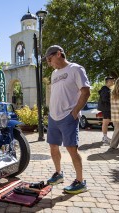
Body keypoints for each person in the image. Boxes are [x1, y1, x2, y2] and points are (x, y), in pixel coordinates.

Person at [42, 45, 90, 194]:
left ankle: (80, 182)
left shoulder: (76, 69)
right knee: (53, 146)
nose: (49, 63)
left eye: (50, 59)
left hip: (68, 116)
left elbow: (86, 91)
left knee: (72, 149)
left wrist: (75, 112)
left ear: (58, 54)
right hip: (53, 116)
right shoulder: (54, 74)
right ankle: (58, 174)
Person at [98, 76, 114, 144]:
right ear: (108, 81)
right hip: (106, 108)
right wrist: (112, 100)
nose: (113, 82)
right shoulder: (105, 89)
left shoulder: (106, 89)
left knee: (106, 122)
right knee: (105, 122)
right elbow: (105, 99)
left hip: (106, 108)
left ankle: (105, 137)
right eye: (112, 81)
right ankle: (104, 138)